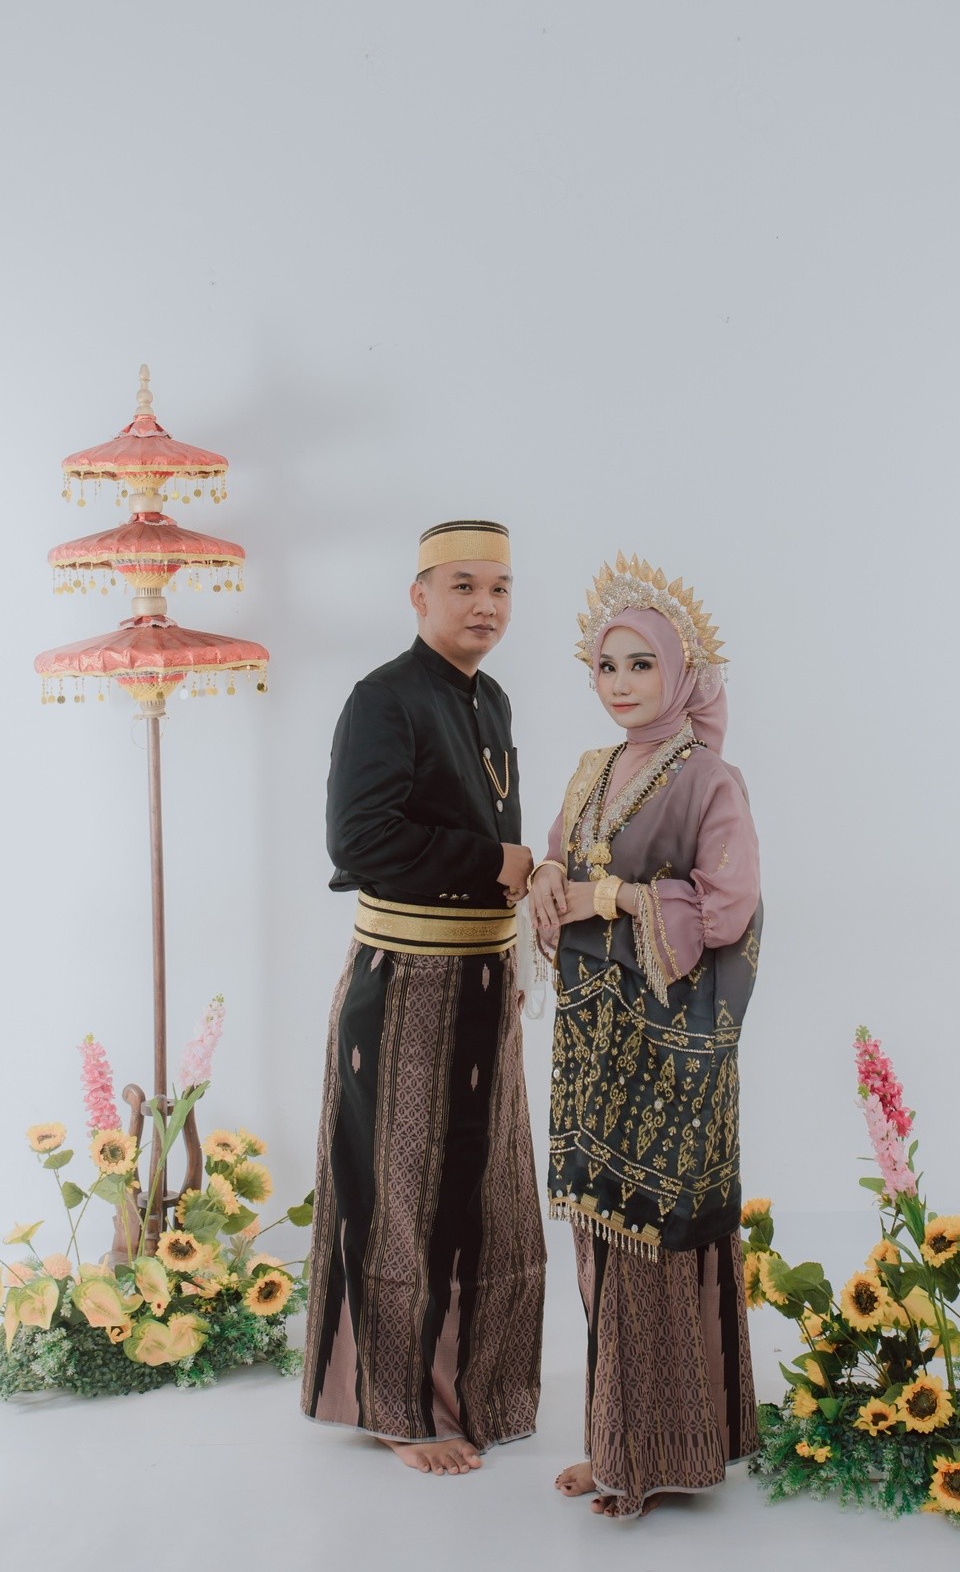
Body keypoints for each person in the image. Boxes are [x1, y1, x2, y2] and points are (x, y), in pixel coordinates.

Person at [302, 520, 546, 1477]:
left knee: (490, 1194)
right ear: (419, 596)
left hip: (484, 979)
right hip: (406, 983)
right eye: (463, 586)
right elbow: (359, 842)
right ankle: (396, 1408)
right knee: (399, 1195)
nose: (486, 605)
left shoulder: (492, 698)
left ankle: (482, 1392)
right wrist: (494, 862)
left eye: (500, 588)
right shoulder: (384, 697)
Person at [529, 553, 762, 1518]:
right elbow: (559, 855)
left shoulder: (709, 779)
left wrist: (615, 897)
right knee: (601, 1233)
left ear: (681, 671)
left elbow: (727, 907)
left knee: (656, 1235)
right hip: (594, 1045)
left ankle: (659, 1451)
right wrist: (550, 878)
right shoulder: (594, 770)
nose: (620, 685)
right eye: (606, 666)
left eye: (641, 665)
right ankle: (618, 1440)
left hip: (670, 1060)